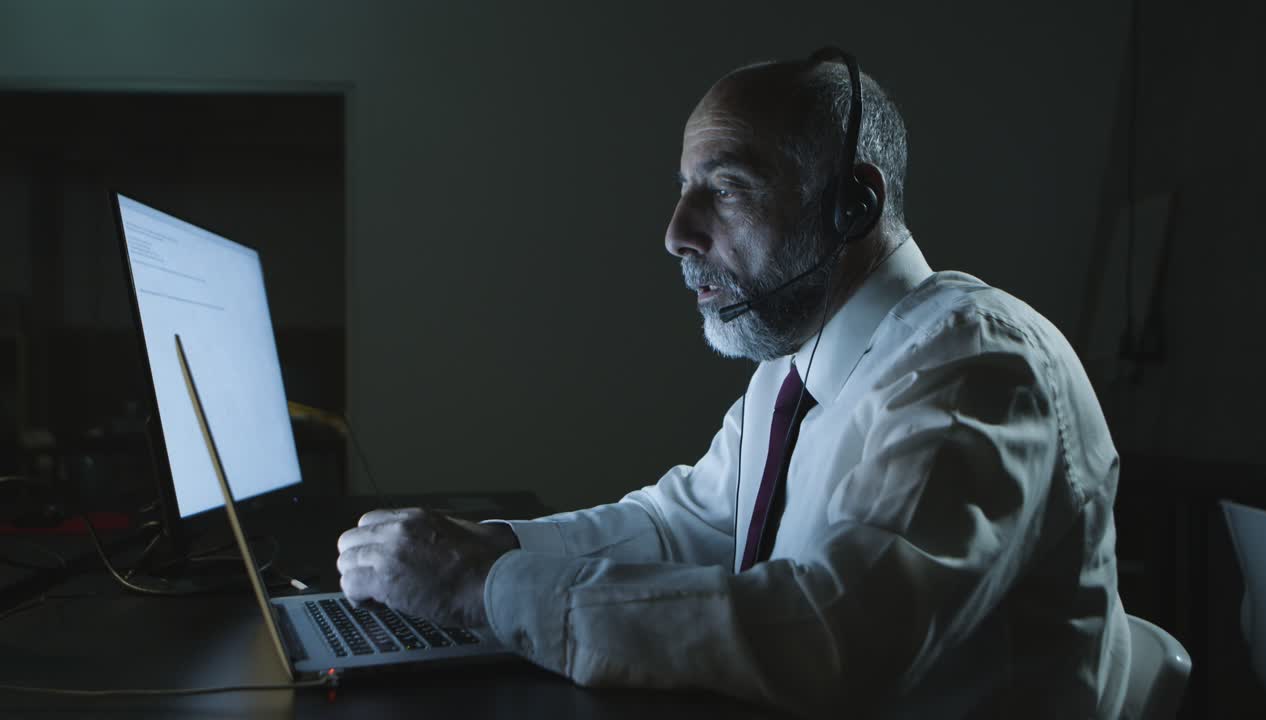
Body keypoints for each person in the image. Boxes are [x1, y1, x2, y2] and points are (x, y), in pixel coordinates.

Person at [336, 48, 1131, 718]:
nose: (677, 233)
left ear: (854, 204)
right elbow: (683, 524)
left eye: (725, 187)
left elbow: (831, 635)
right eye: (683, 188)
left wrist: (487, 588)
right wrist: (491, 547)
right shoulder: (794, 365)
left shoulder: (976, 367)